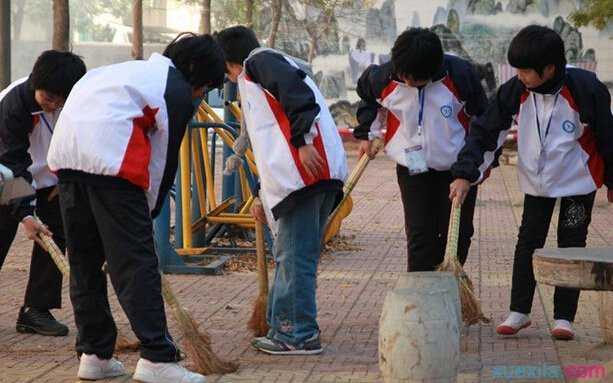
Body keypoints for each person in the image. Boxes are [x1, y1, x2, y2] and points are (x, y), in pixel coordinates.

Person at [47, 33, 225, 382]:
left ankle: (94, 354)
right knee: (136, 265)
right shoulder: (173, 89)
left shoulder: (122, 71)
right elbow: (162, 161)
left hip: (67, 163)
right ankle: (157, 358)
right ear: (194, 72)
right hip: (112, 164)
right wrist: (150, 211)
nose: (201, 95)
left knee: (85, 262)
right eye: (204, 87)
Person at [449, 25, 613, 340]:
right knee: (529, 242)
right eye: (518, 70)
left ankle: (564, 318)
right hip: (537, 185)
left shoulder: (586, 89)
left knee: (571, 242)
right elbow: (485, 132)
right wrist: (465, 173)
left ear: (549, 68)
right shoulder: (515, 90)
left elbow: (608, 137)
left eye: (526, 70)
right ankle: (519, 310)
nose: (520, 76)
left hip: (578, 185)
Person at [215, 25, 347, 355]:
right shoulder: (260, 73)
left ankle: (298, 334)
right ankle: (282, 325)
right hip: (308, 177)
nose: (227, 79)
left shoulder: (259, 62)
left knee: (294, 258)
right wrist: (261, 193)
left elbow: (295, 95)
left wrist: (303, 141)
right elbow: (268, 139)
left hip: (305, 175)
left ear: (228, 61)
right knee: (294, 256)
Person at [354, 28, 488, 272]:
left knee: (457, 235)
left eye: (414, 80)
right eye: (403, 76)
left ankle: (447, 283)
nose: (406, 83)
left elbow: (484, 122)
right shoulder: (386, 75)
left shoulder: (460, 75)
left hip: (456, 165)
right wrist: (367, 133)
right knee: (419, 234)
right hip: (413, 160)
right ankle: (420, 299)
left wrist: (472, 170)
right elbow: (368, 96)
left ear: (433, 69)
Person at [0, 50, 86, 337]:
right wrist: (24, 213)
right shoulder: (13, 104)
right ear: (36, 83)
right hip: (6, 176)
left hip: (49, 178)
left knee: (55, 232)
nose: (54, 106)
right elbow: (12, 162)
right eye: (48, 99)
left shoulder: (71, 101)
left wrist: (63, 180)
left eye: (60, 101)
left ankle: (35, 310)